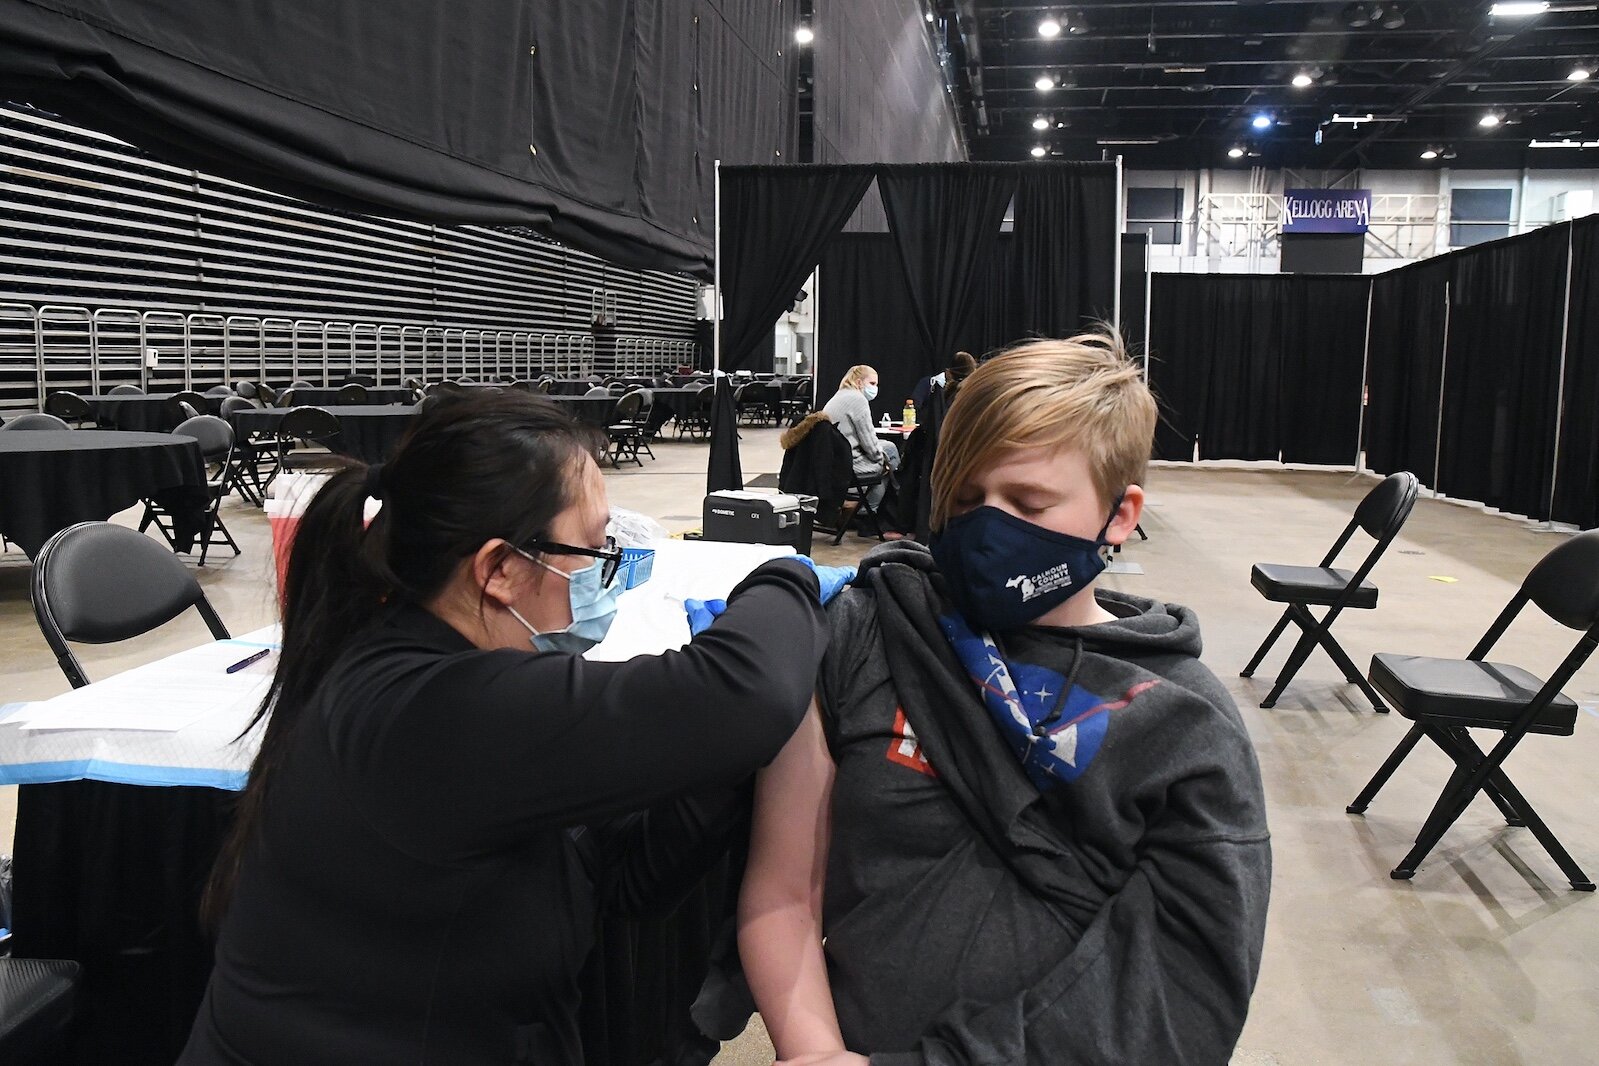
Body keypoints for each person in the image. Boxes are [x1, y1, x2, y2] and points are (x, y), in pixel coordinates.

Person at [180, 392, 834, 1065]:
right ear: (498, 569)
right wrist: (782, 572)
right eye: (590, 548)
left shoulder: (431, 669)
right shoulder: (435, 710)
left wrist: (704, 767)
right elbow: (747, 691)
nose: (602, 570)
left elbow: (629, 876)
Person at [738, 332, 1271, 1064]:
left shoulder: (1180, 722)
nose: (988, 529)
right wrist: (816, 1051)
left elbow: (1174, 996)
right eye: (964, 499)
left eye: (1027, 502)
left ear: (1119, 515)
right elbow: (783, 892)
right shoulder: (871, 632)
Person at [821, 364, 900, 524]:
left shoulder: (838, 397)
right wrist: (881, 460)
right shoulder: (858, 400)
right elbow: (869, 442)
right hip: (847, 465)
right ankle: (869, 515)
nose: (875, 388)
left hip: (832, 462)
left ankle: (863, 510)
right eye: (872, 384)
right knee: (889, 459)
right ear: (858, 382)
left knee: (887, 449)